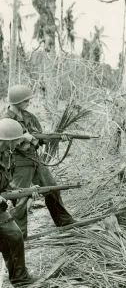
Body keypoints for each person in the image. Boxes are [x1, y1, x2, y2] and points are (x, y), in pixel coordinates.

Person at [2, 84, 76, 239]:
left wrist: (58, 137)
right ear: (16, 101)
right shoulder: (6, 120)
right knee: (21, 197)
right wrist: (23, 137)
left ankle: (64, 221)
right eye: (25, 100)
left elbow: (42, 137)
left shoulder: (29, 116)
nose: (28, 102)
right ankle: (19, 235)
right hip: (19, 162)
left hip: (35, 159)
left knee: (52, 188)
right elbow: (5, 143)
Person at [0, 118, 38, 287]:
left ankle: (18, 278)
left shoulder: (7, 156)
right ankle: (19, 278)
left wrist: (27, 190)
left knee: (9, 240)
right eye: (16, 140)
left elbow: (7, 184)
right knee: (15, 236)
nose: (18, 143)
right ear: (6, 140)